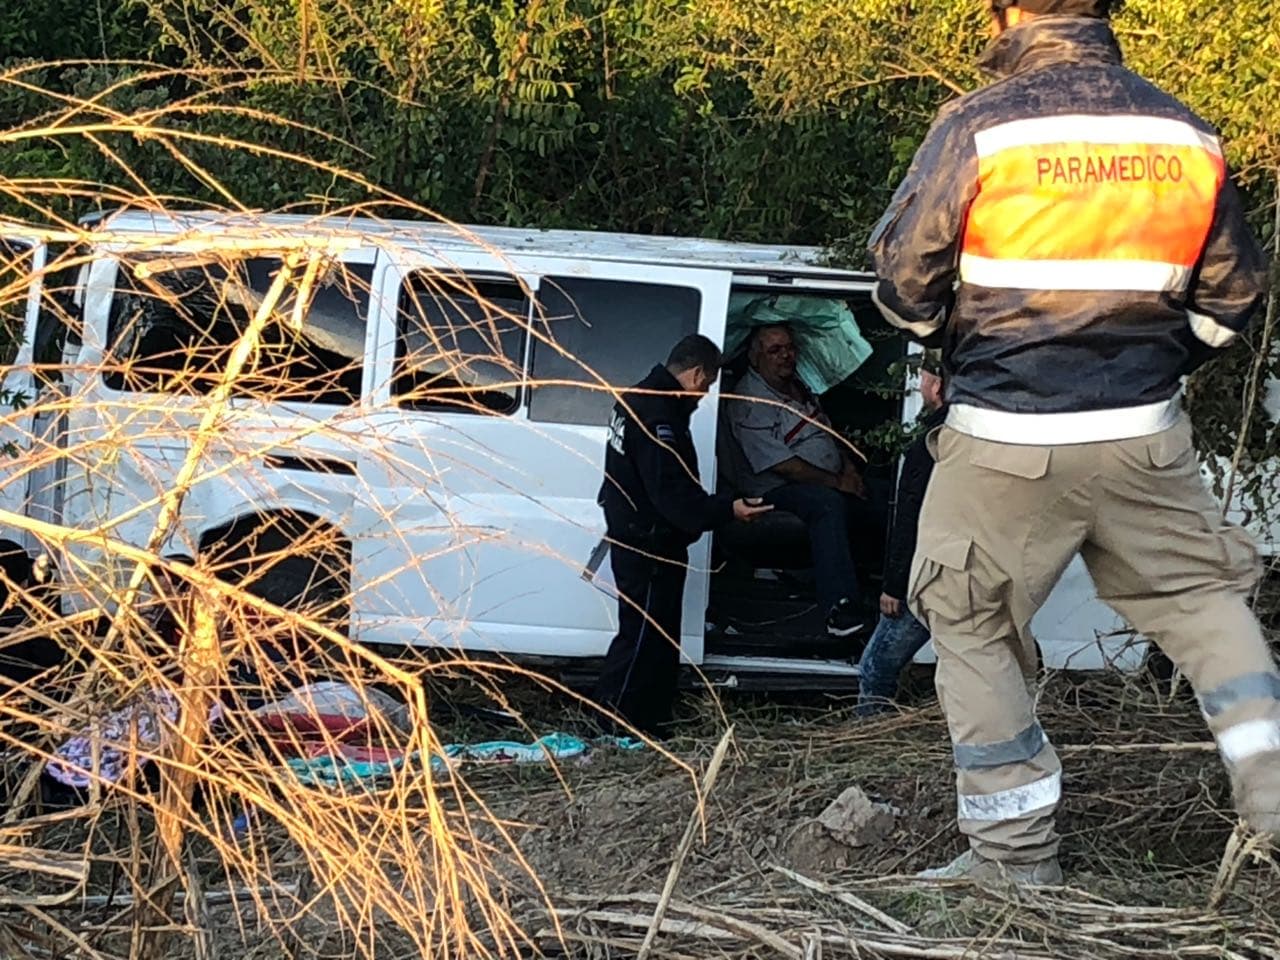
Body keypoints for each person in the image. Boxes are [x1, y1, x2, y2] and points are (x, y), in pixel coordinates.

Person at [868, 0, 1277, 886]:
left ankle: (1014, 862)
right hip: (1146, 437)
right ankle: (1276, 811)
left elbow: (905, 287)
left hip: (1003, 440)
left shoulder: (979, 126)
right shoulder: (1186, 134)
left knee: (969, 621)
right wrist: (1155, 364)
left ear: (1007, 12)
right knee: (1209, 609)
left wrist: (951, 345)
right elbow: (1235, 295)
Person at [594, 335, 771, 736]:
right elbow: (674, 497)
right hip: (649, 544)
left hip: (637, 536)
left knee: (656, 638)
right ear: (694, 374)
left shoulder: (636, 397)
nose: (704, 394)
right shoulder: (658, 416)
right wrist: (728, 508)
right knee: (643, 639)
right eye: (706, 385)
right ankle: (614, 724)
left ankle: (649, 722)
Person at [727, 324, 883, 638]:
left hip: (825, 477)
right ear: (755, 357)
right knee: (826, 504)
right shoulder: (749, 400)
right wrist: (837, 482)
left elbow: (826, 432)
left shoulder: (797, 386)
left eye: (789, 348)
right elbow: (785, 466)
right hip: (772, 490)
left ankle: (883, 592)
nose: (786, 356)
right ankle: (839, 610)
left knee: (885, 494)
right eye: (775, 350)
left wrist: (849, 466)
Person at [856, 351, 947, 717]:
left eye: (923, 378)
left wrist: (895, 585)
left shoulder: (931, 443)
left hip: (924, 579)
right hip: (964, 571)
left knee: (876, 668)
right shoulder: (972, 438)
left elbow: (911, 514)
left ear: (937, 386)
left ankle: (869, 737)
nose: (919, 386)